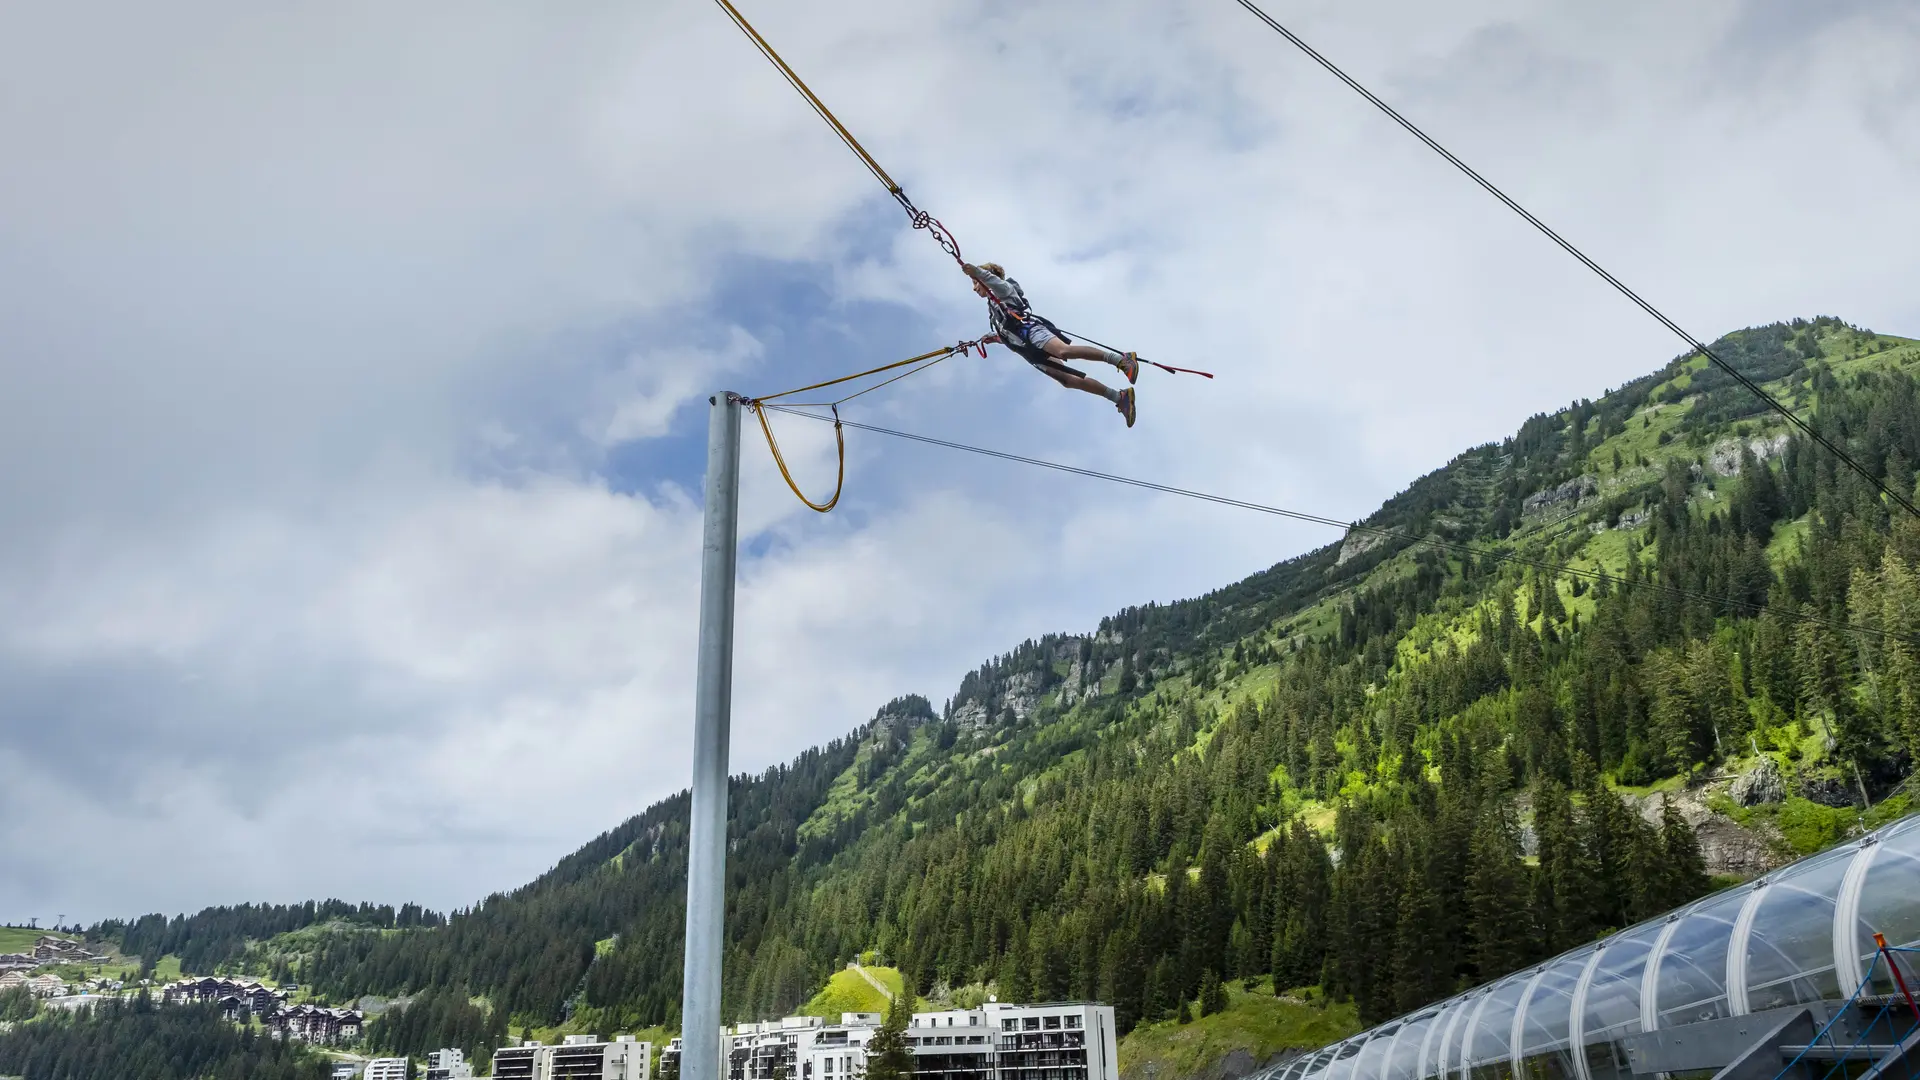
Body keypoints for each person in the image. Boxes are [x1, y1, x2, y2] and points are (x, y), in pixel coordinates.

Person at [963, 262, 1141, 427]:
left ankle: (1121, 360)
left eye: (975, 283)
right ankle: (1119, 397)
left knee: (1064, 351)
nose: (974, 288)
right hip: (1028, 348)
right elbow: (1008, 332)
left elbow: (995, 283)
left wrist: (977, 273)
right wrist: (994, 338)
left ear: (986, 276)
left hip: (1032, 332)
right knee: (1067, 380)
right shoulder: (993, 311)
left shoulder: (1003, 290)